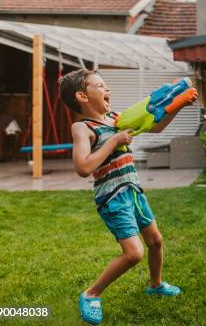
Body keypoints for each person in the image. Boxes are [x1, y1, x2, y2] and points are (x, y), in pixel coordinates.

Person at [59, 69, 197, 325]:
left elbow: (154, 128)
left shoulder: (115, 117)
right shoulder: (82, 128)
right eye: (100, 85)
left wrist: (178, 105)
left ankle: (155, 285)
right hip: (112, 198)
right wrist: (113, 142)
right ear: (82, 96)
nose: (107, 89)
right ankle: (91, 293)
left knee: (155, 241)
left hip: (133, 190)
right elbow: (83, 168)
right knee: (134, 254)